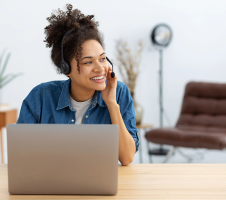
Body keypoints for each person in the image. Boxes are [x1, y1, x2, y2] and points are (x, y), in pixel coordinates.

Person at [17, 4, 139, 166]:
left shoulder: (119, 92)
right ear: (66, 69)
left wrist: (111, 104)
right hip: (50, 184)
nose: (100, 68)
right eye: (88, 62)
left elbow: (127, 158)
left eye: (102, 59)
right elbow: (21, 155)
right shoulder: (41, 97)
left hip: (98, 184)